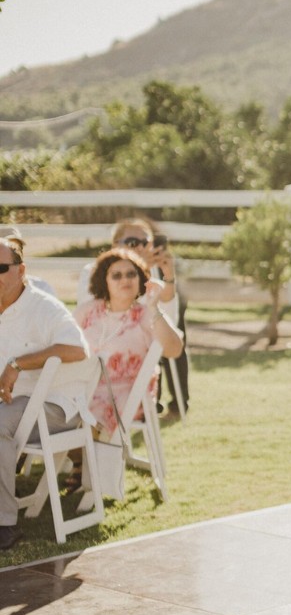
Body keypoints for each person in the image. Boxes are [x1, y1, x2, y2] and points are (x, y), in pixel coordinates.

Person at [0, 236, 90, 550]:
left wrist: (17, 363)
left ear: (21, 270)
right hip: (14, 402)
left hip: (55, 404)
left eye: (1, 267)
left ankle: (4, 525)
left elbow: (77, 349)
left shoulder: (44, 307)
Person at [77, 218, 188, 417]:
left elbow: (171, 334)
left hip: (127, 388)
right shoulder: (92, 276)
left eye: (146, 243)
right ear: (114, 246)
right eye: (132, 243)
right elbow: (89, 321)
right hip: (88, 381)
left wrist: (166, 278)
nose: (140, 248)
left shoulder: (148, 282)